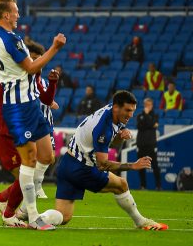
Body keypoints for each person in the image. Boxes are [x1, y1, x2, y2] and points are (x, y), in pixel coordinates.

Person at [0, 0, 66, 230]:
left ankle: (8, 201)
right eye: (15, 11)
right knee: (29, 161)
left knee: (47, 156)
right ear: (6, 15)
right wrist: (55, 48)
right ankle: (33, 215)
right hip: (17, 108)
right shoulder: (10, 39)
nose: (18, 15)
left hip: (31, 104)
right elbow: (32, 67)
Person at [53, 91, 168, 230]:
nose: (131, 115)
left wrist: (119, 136)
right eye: (127, 110)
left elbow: (110, 143)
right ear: (116, 108)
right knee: (121, 184)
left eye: (132, 111)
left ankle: (30, 216)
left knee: (63, 217)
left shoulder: (113, 111)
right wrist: (132, 166)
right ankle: (141, 222)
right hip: (83, 168)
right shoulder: (103, 127)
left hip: (67, 164)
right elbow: (102, 165)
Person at [0, 44, 59, 227]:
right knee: (25, 174)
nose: (35, 62)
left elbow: (46, 100)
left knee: (46, 158)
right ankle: (11, 213)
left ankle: (3, 199)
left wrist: (51, 83)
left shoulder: (34, 74)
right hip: (6, 132)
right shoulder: (11, 74)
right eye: (32, 58)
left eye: (38, 58)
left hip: (26, 125)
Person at [136, 98, 161, 190]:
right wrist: (149, 124)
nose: (147, 107)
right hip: (141, 144)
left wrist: (146, 117)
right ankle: (143, 186)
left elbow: (152, 124)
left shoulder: (155, 115)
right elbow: (139, 126)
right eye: (146, 105)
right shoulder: (139, 115)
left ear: (152, 105)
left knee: (154, 165)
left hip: (151, 144)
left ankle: (158, 186)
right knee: (141, 165)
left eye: (149, 105)